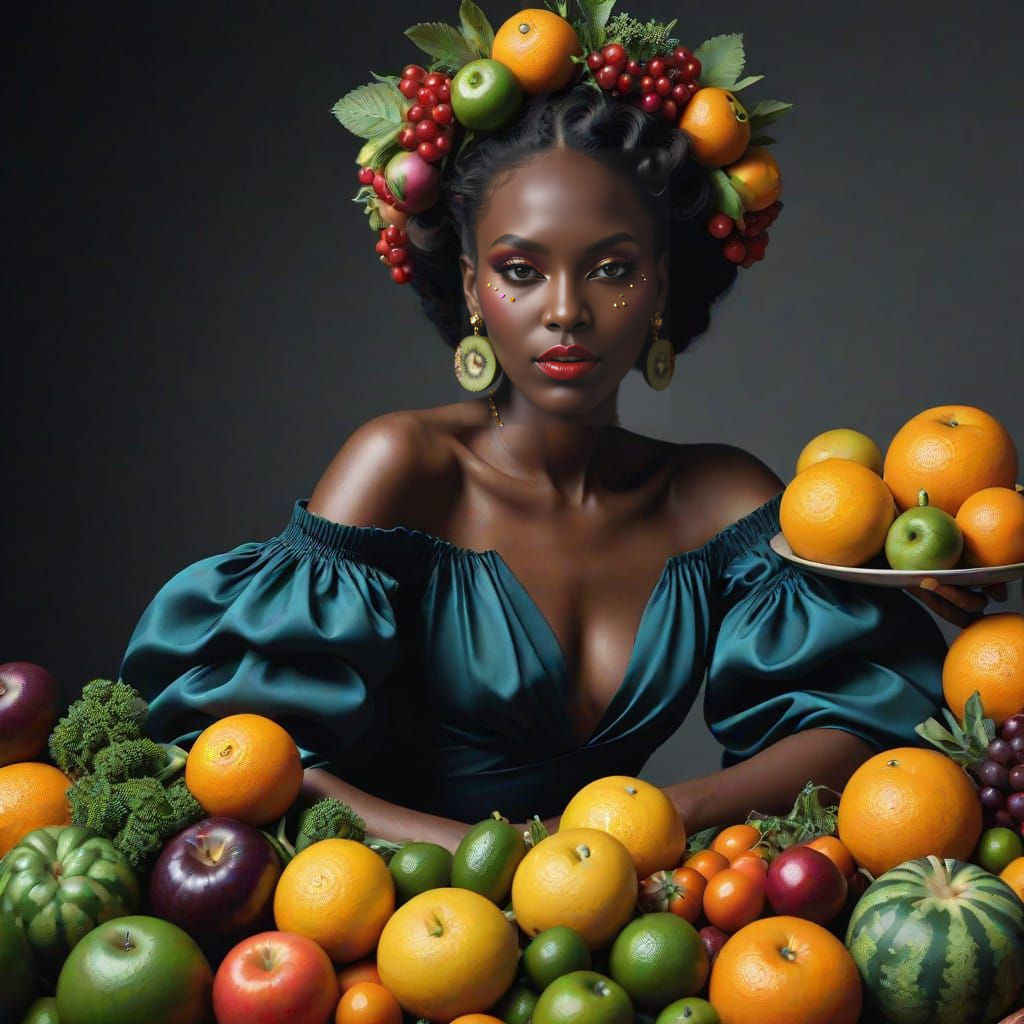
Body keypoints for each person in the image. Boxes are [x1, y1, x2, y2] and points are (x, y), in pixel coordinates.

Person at [118, 73, 1005, 855]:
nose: (567, 311)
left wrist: (666, 812)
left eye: (612, 269)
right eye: (520, 270)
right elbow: (245, 755)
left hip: (618, 933)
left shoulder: (721, 495)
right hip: (392, 932)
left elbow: (854, 725)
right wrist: (487, 861)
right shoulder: (402, 465)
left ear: (660, 284)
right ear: (471, 287)